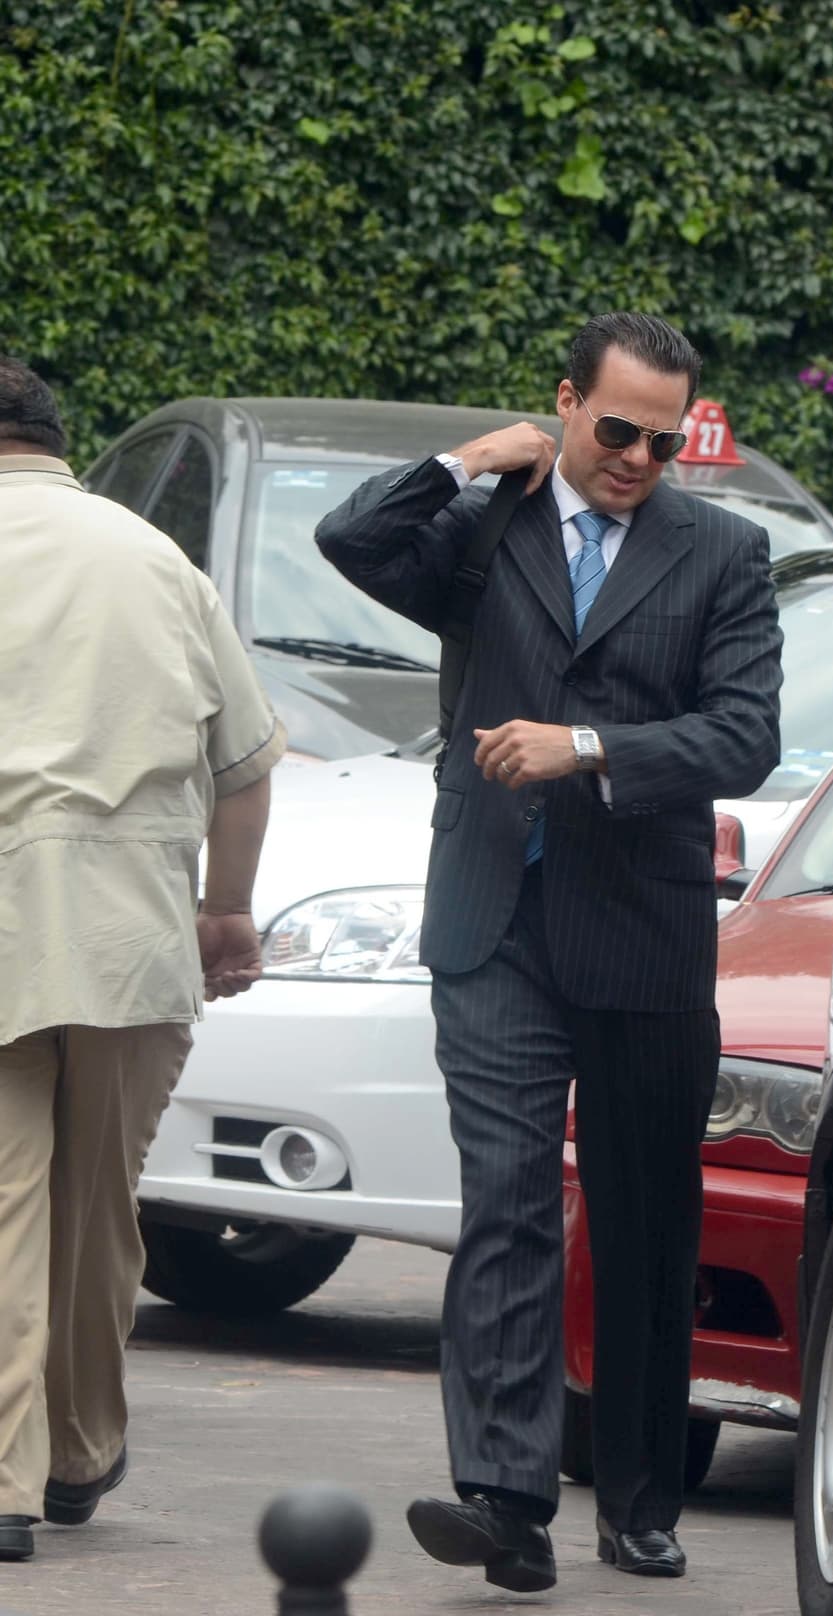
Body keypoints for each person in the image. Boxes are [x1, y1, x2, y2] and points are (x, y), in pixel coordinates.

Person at [316, 312, 782, 1591]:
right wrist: (473, 458)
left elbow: (742, 734)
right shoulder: (489, 523)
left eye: (662, 435)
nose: (637, 456)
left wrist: (584, 748)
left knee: (642, 1222)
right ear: (566, 404)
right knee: (509, 1203)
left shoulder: (722, 553)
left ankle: (636, 1499)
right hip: (492, 919)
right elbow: (349, 540)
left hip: (639, 928)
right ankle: (505, 1498)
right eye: (615, 427)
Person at [0, 358, 286, 1564]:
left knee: (6, 1198)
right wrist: (227, 911)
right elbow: (248, 759)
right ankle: (76, 1448)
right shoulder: (153, 559)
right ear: (61, 441)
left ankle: (5, 1477)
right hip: (127, 927)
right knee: (96, 1201)